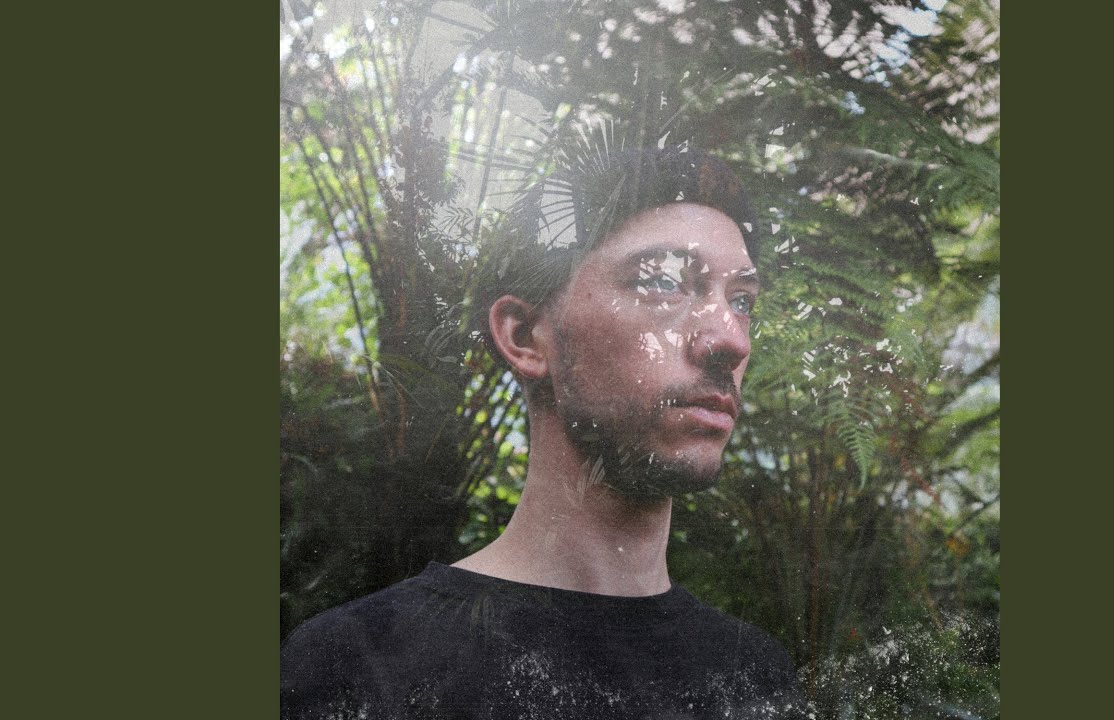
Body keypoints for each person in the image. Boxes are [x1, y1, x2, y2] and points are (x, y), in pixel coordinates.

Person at [281, 148, 804, 719]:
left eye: (742, 301)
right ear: (525, 336)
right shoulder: (361, 666)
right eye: (662, 282)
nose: (731, 340)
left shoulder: (757, 676)